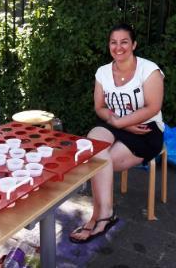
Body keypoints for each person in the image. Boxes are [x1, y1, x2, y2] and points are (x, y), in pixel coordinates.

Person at [69, 23, 164, 243]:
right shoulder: (102, 72)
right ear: (109, 45)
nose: (118, 47)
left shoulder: (149, 70)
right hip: (116, 124)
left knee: (102, 161)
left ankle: (100, 216)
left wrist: (122, 123)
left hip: (145, 130)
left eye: (124, 42)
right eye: (114, 42)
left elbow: (153, 107)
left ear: (134, 45)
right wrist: (119, 123)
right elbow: (100, 107)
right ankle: (102, 214)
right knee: (93, 148)